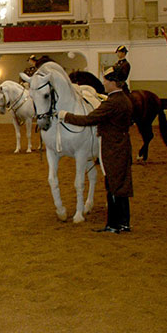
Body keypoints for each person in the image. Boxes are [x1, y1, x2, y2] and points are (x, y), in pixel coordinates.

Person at [58, 66, 134, 234]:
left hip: (113, 147)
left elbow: (89, 119)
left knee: (113, 186)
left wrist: (65, 116)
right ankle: (124, 222)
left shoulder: (113, 102)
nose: (104, 83)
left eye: (106, 80)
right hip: (121, 144)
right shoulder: (123, 99)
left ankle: (114, 224)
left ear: (114, 82)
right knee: (121, 185)